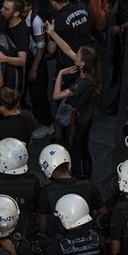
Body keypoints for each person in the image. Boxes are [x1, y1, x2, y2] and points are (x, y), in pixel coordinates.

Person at [52, 46, 100, 178]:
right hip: (86, 118)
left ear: (83, 62)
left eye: (78, 56)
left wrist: (60, 74)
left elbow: (56, 95)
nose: (75, 56)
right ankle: (87, 178)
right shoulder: (92, 74)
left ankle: (78, 180)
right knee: (85, 151)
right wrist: (52, 33)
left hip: (77, 122)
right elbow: (67, 49)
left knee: (75, 153)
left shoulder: (81, 84)